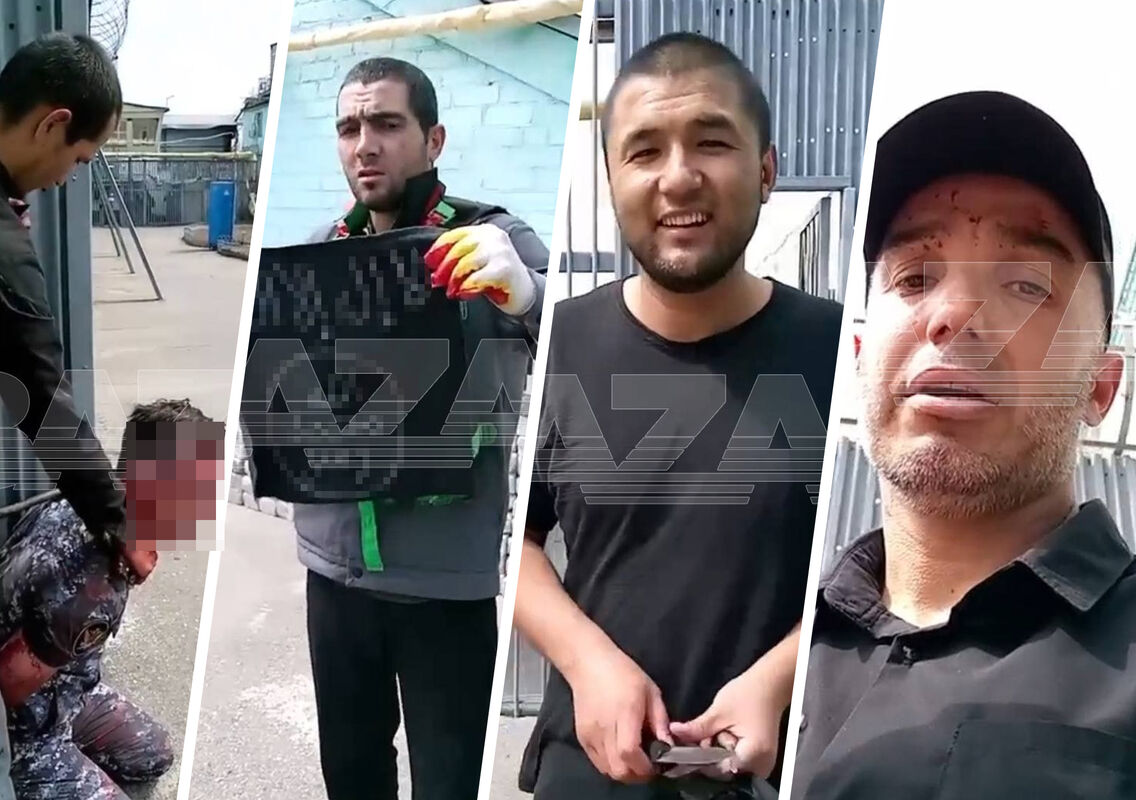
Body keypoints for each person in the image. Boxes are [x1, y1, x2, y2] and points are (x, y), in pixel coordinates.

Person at [514, 32, 842, 799]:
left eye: (712, 143)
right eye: (644, 151)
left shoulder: (836, 352)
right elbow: (517, 547)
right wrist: (589, 663)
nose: (679, 177)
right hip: (589, 768)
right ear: (611, 180)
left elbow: (887, 568)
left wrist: (776, 680)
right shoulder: (561, 344)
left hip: (765, 771)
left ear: (766, 171)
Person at [791, 91, 1132, 799]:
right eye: (915, 277)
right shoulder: (775, 642)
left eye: (1026, 284)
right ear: (860, 357)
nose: (952, 314)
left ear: (1101, 387)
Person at [291, 57, 548, 800]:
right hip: (334, 572)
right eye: (349, 128)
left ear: (433, 140)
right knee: (351, 775)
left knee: (447, 781)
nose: (364, 144)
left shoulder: (490, 240)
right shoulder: (322, 246)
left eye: (385, 124)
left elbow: (578, 343)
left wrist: (528, 295)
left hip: (443, 583)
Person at [0, 33, 125, 800]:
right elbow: (46, 407)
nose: (64, 179)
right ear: (52, 123)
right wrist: (118, 522)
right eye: (77, 160)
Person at [0, 399, 223, 800]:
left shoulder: (83, 503)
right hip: (19, 730)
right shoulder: (95, 584)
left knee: (152, 753)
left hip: (64, 686)